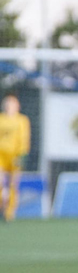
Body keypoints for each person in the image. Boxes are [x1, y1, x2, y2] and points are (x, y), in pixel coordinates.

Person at [0, 94, 30, 222]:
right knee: (1, 182)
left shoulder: (22, 120)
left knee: (13, 184)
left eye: (13, 104)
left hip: (15, 155)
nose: (10, 107)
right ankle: (2, 206)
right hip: (1, 154)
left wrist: (22, 154)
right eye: (8, 104)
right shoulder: (1, 119)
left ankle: (9, 211)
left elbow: (24, 138)